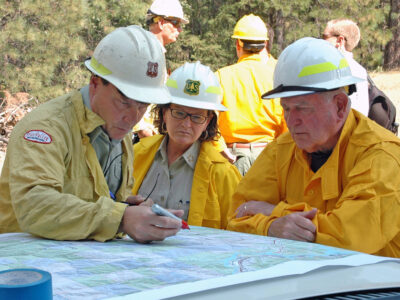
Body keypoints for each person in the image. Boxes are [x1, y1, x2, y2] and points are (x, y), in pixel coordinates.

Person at [0, 25, 184, 244]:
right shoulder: (46, 128)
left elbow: (99, 202)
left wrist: (126, 209)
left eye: (143, 105)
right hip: (24, 265)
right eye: (124, 102)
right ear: (95, 83)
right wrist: (121, 218)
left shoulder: (120, 131)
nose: (133, 117)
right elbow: (34, 206)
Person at [227, 37, 400, 258]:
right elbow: (236, 215)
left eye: (302, 108)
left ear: (339, 106)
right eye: (286, 108)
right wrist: (270, 227)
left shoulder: (383, 155)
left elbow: (349, 238)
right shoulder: (282, 149)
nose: (292, 120)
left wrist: (273, 212)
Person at [132, 62, 241, 229]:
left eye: (197, 117)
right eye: (179, 113)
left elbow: (236, 232)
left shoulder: (223, 174)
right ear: (164, 112)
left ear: (208, 121)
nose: (186, 124)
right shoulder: (136, 155)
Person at [215, 14, 287, 176]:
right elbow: (288, 122)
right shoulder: (278, 75)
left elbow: (210, 118)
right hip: (270, 157)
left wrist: (219, 148)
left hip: (233, 158)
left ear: (238, 44)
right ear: (265, 44)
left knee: (232, 202)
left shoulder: (222, 76)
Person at [133, 0, 189, 141]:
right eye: (176, 23)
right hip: (141, 136)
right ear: (161, 23)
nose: (180, 30)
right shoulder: (147, 52)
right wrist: (141, 127)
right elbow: (133, 91)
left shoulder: (156, 52)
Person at [323, 19, 369, 116]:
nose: (321, 41)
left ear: (340, 41)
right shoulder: (360, 70)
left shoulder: (339, 70)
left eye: (325, 37)